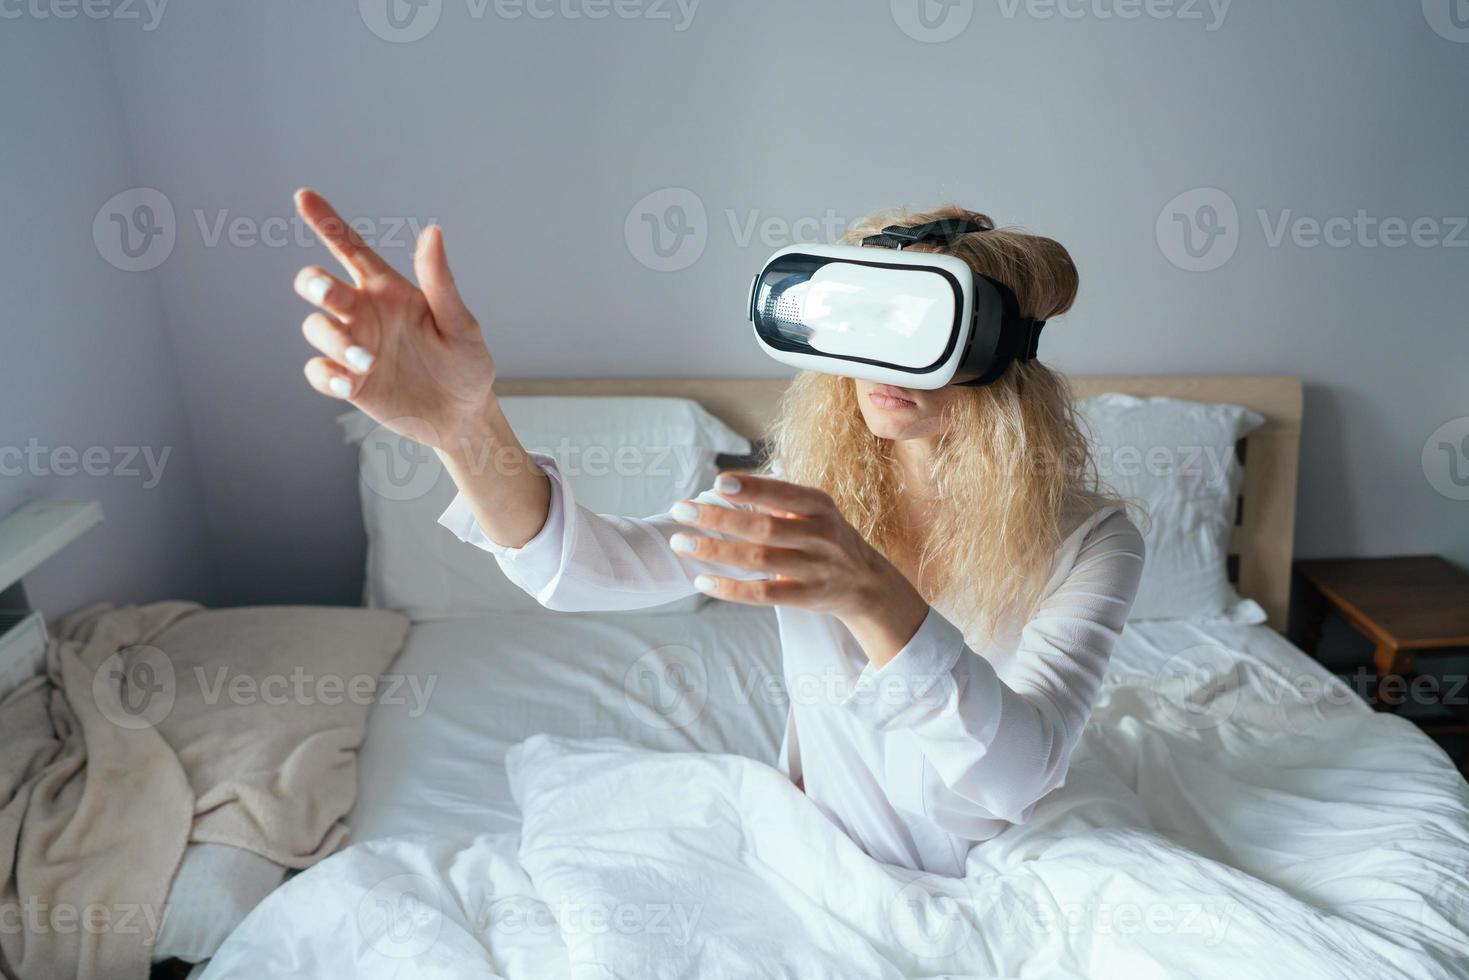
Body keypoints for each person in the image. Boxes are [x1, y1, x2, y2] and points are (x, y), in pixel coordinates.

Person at [289, 189, 1144, 877]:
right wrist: (464, 428)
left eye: (921, 331)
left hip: (1010, 872)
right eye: (864, 327)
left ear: (995, 348)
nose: (883, 366)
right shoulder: (808, 496)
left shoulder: (1092, 540)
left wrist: (873, 596)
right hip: (826, 855)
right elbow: (591, 570)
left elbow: (1014, 776)